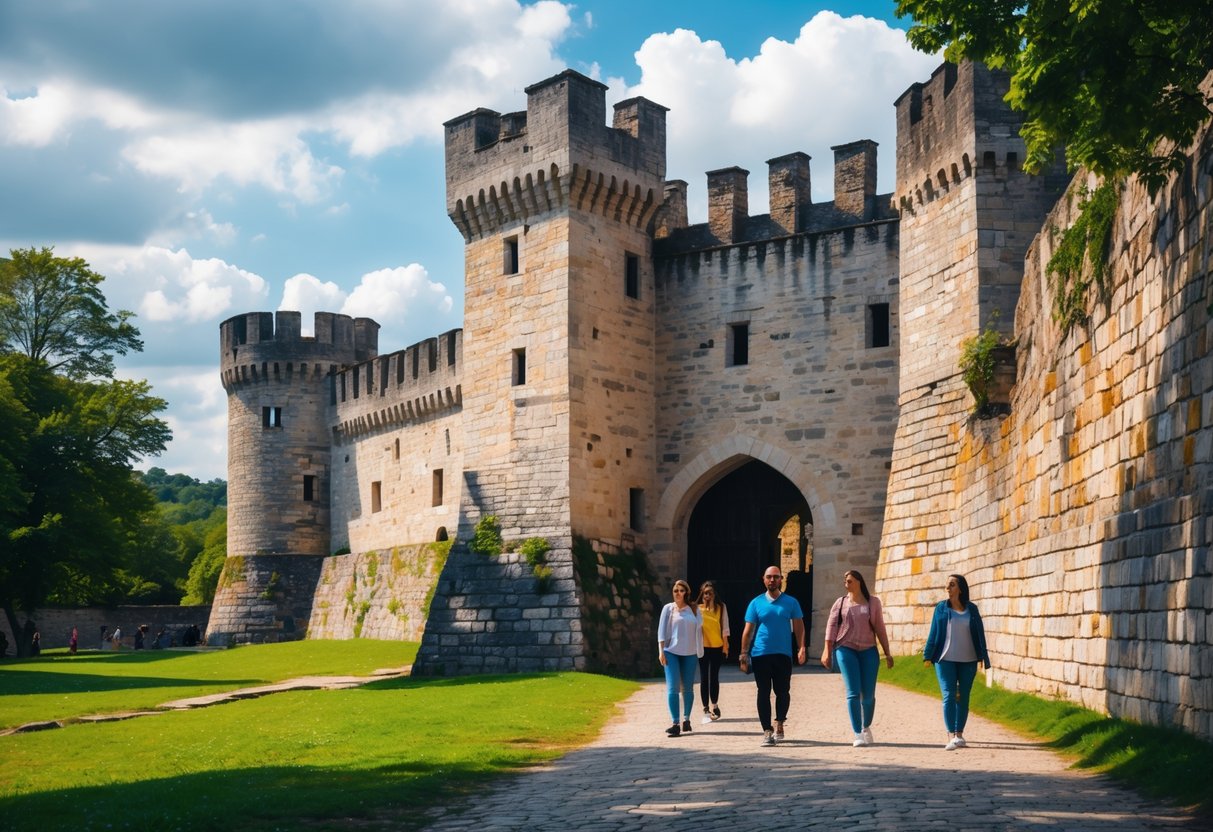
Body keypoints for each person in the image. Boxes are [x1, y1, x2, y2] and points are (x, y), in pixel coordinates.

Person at [821, 570, 894, 746]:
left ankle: (866, 726)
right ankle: (857, 733)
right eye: (845, 581)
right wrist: (827, 650)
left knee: (868, 696)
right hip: (845, 649)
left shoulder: (873, 602)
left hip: (869, 650)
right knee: (853, 693)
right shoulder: (840, 603)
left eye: (850, 581)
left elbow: (880, 628)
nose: (846, 584)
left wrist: (887, 652)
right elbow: (831, 627)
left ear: (859, 582)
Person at [923, 573, 991, 750]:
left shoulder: (972, 609)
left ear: (960, 588)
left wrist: (982, 656)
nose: (948, 588)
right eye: (947, 585)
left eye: (952, 585)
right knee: (949, 694)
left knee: (964, 696)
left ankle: (959, 734)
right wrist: (928, 655)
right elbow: (934, 632)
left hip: (968, 659)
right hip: (944, 659)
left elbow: (980, 634)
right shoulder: (941, 608)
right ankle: (951, 734)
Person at [739, 566, 806, 747]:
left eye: (775, 577)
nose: (772, 580)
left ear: (781, 579)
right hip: (761, 653)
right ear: (763, 579)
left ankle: (780, 722)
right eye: (769, 577)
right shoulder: (756, 603)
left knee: (782, 691)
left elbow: (799, 626)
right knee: (763, 692)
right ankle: (767, 730)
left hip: (783, 654)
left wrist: (801, 647)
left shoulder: (791, 602)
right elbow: (748, 630)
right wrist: (744, 653)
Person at [657, 579, 703, 737]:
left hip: (690, 652)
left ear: (686, 593)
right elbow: (661, 632)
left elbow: (700, 629)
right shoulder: (668, 609)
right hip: (671, 651)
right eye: (675, 590)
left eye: (681, 590)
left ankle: (686, 719)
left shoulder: (694, 609)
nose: (678, 593)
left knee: (688, 688)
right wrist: (661, 651)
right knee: (673, 687)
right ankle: (675, 722)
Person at [695, 581, 729, 723]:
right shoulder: (696, 609)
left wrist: (726, 646)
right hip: (702, 646)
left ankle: (714, 705)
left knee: (714, 677)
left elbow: (725, 627)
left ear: (714, 594)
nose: (707, 595)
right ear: (702, 594)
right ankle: (705, 707)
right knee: (704, 677)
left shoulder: (721, 608)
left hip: (717, 646)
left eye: (710, 593)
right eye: (705, 593)